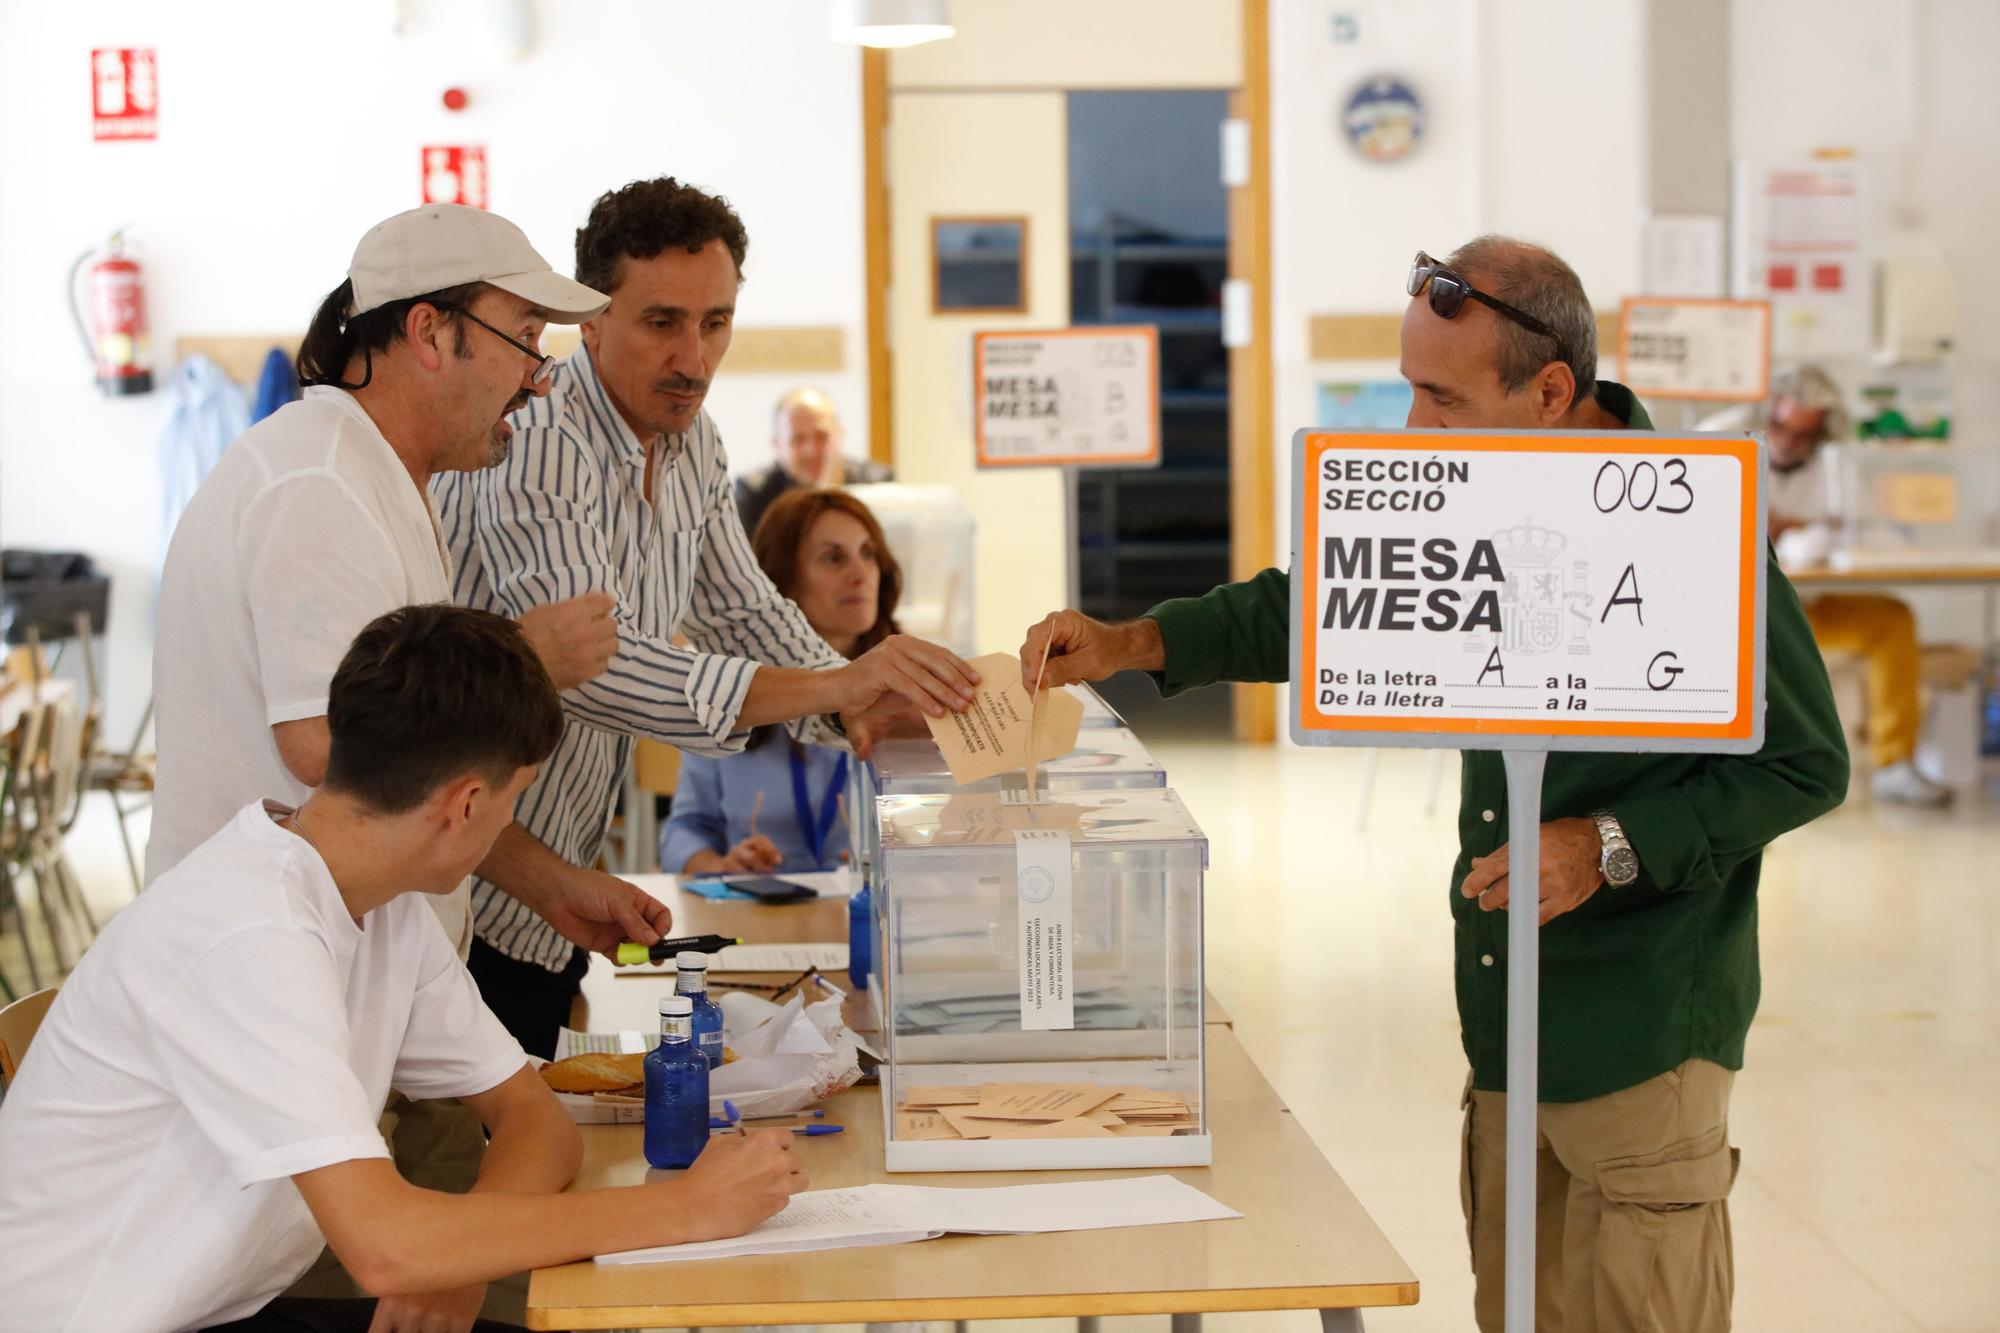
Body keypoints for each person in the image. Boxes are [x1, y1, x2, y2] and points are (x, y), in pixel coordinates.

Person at [1019, 238, 1849, 1333]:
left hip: (1644, 1033)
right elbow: (1319, 597)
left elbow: (1804, 763)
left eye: (1439, 397)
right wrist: (1131, 640)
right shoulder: (1478, 480)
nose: (1413, 430)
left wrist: (1605, 844)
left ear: (1549, 392)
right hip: (1506, 1030)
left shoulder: (1697, 525)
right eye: (1405, 390)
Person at [0, 605, 804, 1333]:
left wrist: (462, 1256)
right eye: (513, 797)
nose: (506, 822)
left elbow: (535, 1119)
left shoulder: (375, 898)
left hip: (221, 1308)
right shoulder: (248, 931)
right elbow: (386, 1246)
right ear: (464, 805)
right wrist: (682, 1209)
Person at [437, 177, 976, 1057]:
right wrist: (842, 681)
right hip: (458, 884)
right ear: (591, 321)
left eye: (716, 322)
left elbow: (745, 609)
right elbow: (599, 669)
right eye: (662, 323)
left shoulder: (694, 441)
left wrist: (858, 707)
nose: (694, 356)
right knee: (468, 1166)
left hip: (552, 888)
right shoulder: (540, 438)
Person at [152, 203, 674, 959]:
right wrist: (515, 661)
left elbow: (409, 787)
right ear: (429, 333)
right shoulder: (318, 482)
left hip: (330, 973)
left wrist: (551, 884)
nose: (539, 382)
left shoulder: (372, 474)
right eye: (525, 338)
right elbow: (330, 747)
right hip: (263, 975)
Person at [1702, 366, 1949, 807]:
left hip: (1803, 606)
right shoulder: (1720, 435)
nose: (1788, 440)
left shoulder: (1837, 466)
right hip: (1733, 615)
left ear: (1820, 434)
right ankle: (1744, 777)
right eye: (1780, 426)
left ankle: (1894, 765)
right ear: (1768, 412)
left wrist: (1799, 529)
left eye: (1803, 434)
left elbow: (1863, 528)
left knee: (1892, 620)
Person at [662, 488, 903, 875]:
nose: (860, 575)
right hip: (763, 919)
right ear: (780, 584)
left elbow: (944, 824)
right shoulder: (730, 690)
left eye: (868, 554)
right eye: (833, 558)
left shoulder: (905, 692)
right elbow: (684, 831)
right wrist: (725, 864)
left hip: (873, 917)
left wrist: (895, 860)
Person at [734, 387, 892, 535]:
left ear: (840, 435)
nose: (811, 450)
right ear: (777, 444)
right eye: (798, 439)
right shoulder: (754, 493)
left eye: (822, 436)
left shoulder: (877, 481)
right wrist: (826, 493)